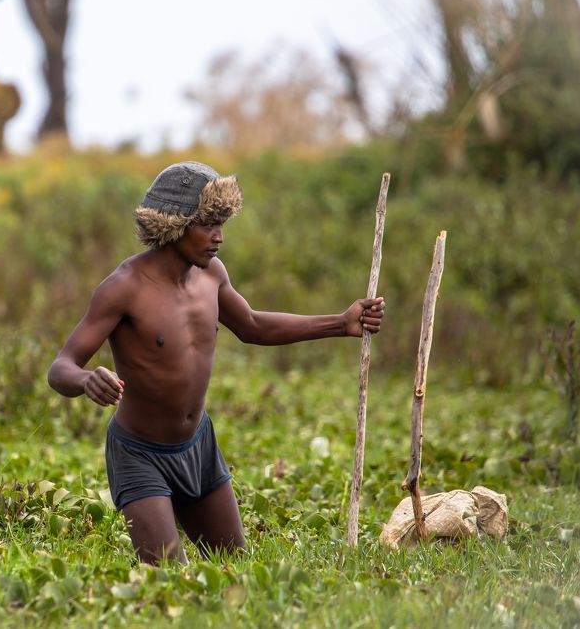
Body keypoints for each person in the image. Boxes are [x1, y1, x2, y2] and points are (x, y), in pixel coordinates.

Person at [47, 161, 385, 564]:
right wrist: (86, 380)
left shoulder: (212, 276)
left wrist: (340, 322)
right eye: (208, 225)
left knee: (235, 568)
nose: (219, 237)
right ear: (174, 225)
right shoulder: (124, 288)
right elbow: (61, 367)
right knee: (169, 577)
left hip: (199, 448)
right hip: (140, 456)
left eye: (221, 224)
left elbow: (254, 325)